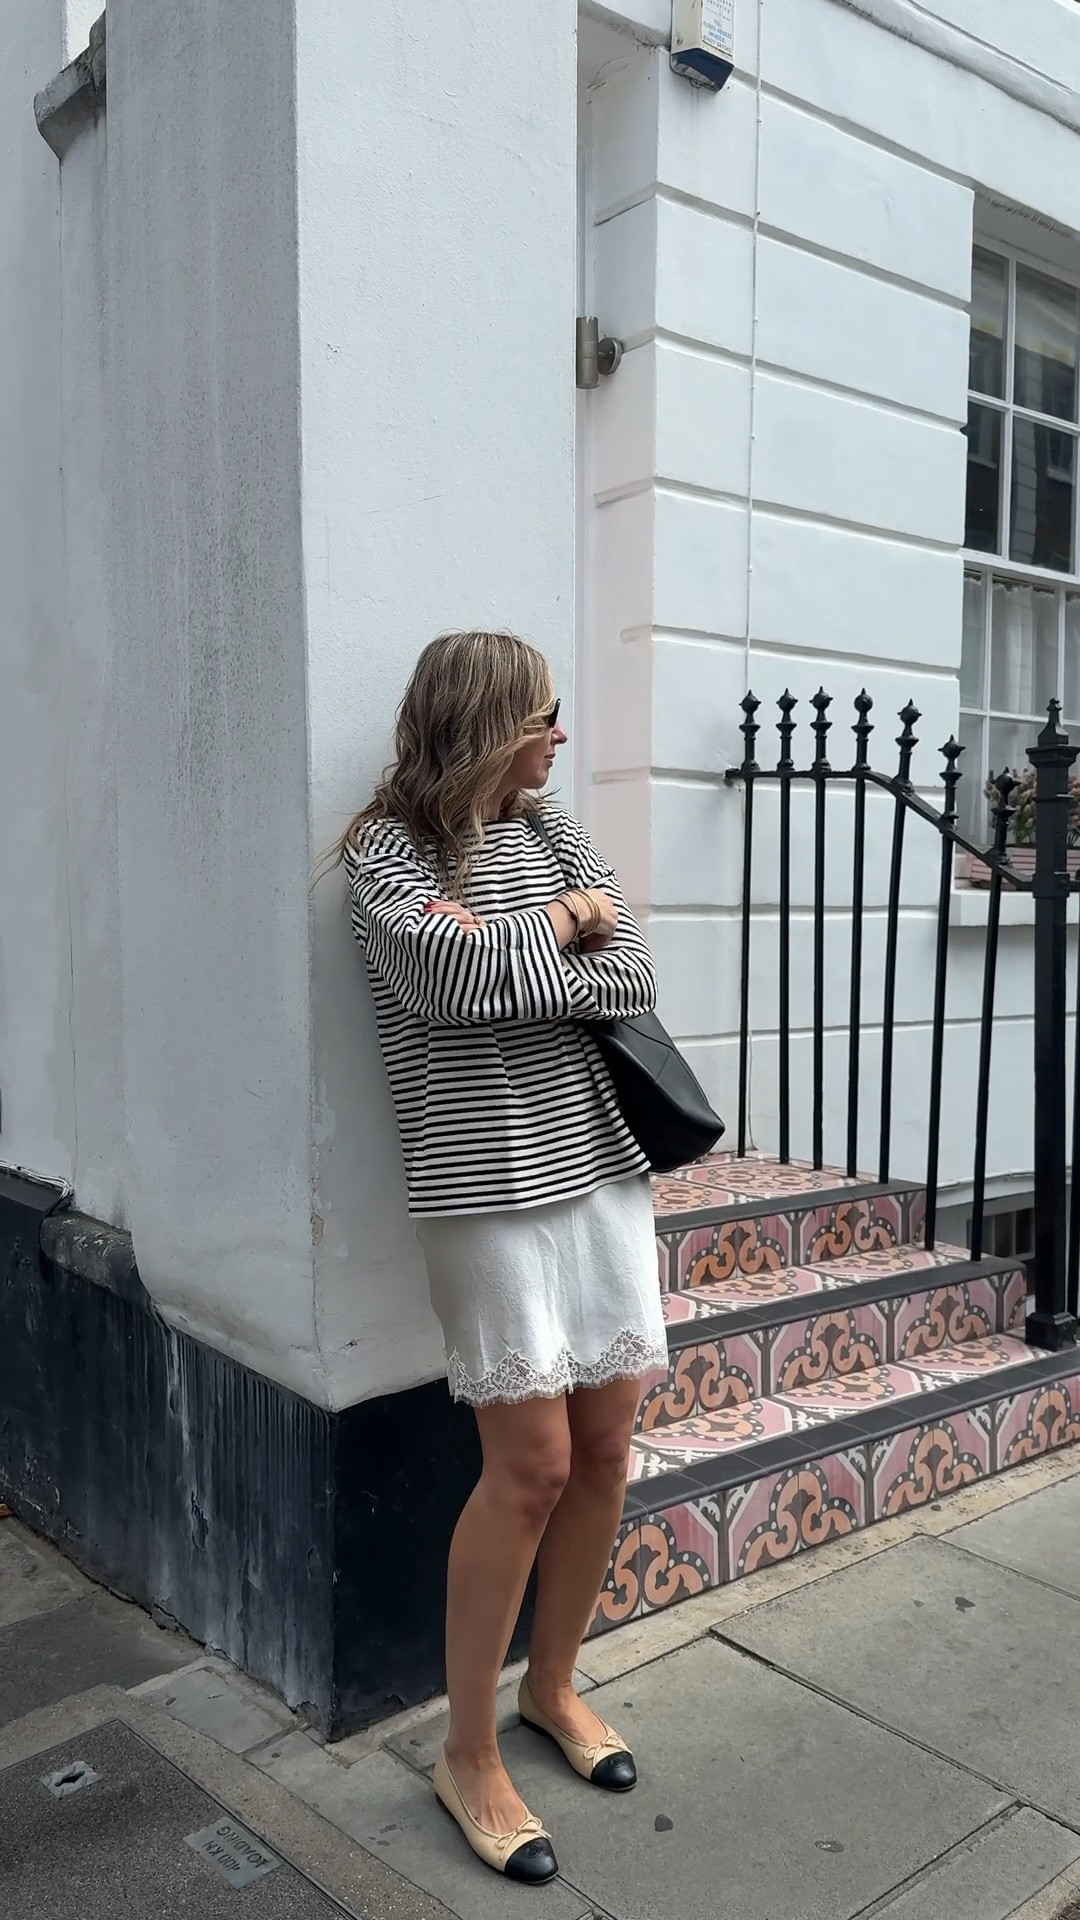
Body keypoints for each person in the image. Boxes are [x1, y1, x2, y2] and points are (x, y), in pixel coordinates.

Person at [336, 629, 667, 1885]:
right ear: (481, 722)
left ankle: (554, 1686)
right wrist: (568, 935)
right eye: (541, 716)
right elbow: (450, 982)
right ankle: (466, 1751)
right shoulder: (387, 852)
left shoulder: (554, 832)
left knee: (606, 1449)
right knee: (528, 1469)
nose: (559, 737)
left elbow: (634, 972)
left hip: (602, 1173)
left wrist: (552, 943)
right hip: (485, 1192)